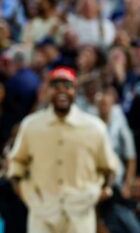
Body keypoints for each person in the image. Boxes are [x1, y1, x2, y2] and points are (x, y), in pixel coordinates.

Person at [7, 66, 118, 233]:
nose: (62, 91)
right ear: (48, 90)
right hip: (42, 213)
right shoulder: (31, 125)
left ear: (75, 90)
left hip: (80, 214)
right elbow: (16, 165)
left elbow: (109, 168)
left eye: (67, 86)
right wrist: (27, 195)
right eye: (56, 85)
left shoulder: (95, 127)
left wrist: (101, 193)